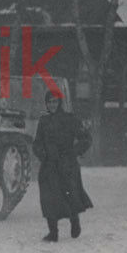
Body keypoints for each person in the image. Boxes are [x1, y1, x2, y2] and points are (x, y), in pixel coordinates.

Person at [32, 92, 93, 242]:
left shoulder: (70, 119)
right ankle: (53, 232)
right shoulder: (43, 121)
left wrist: (74, 152)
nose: (52, 105)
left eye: (55, 102)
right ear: (46, 104)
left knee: (70, 195)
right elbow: (37, 143)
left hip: (67, 166)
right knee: (48, 198)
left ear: (60, 103)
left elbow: (86, 139)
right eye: (49, 102)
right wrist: (42, 154)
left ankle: (75, 222)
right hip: (49, 166)